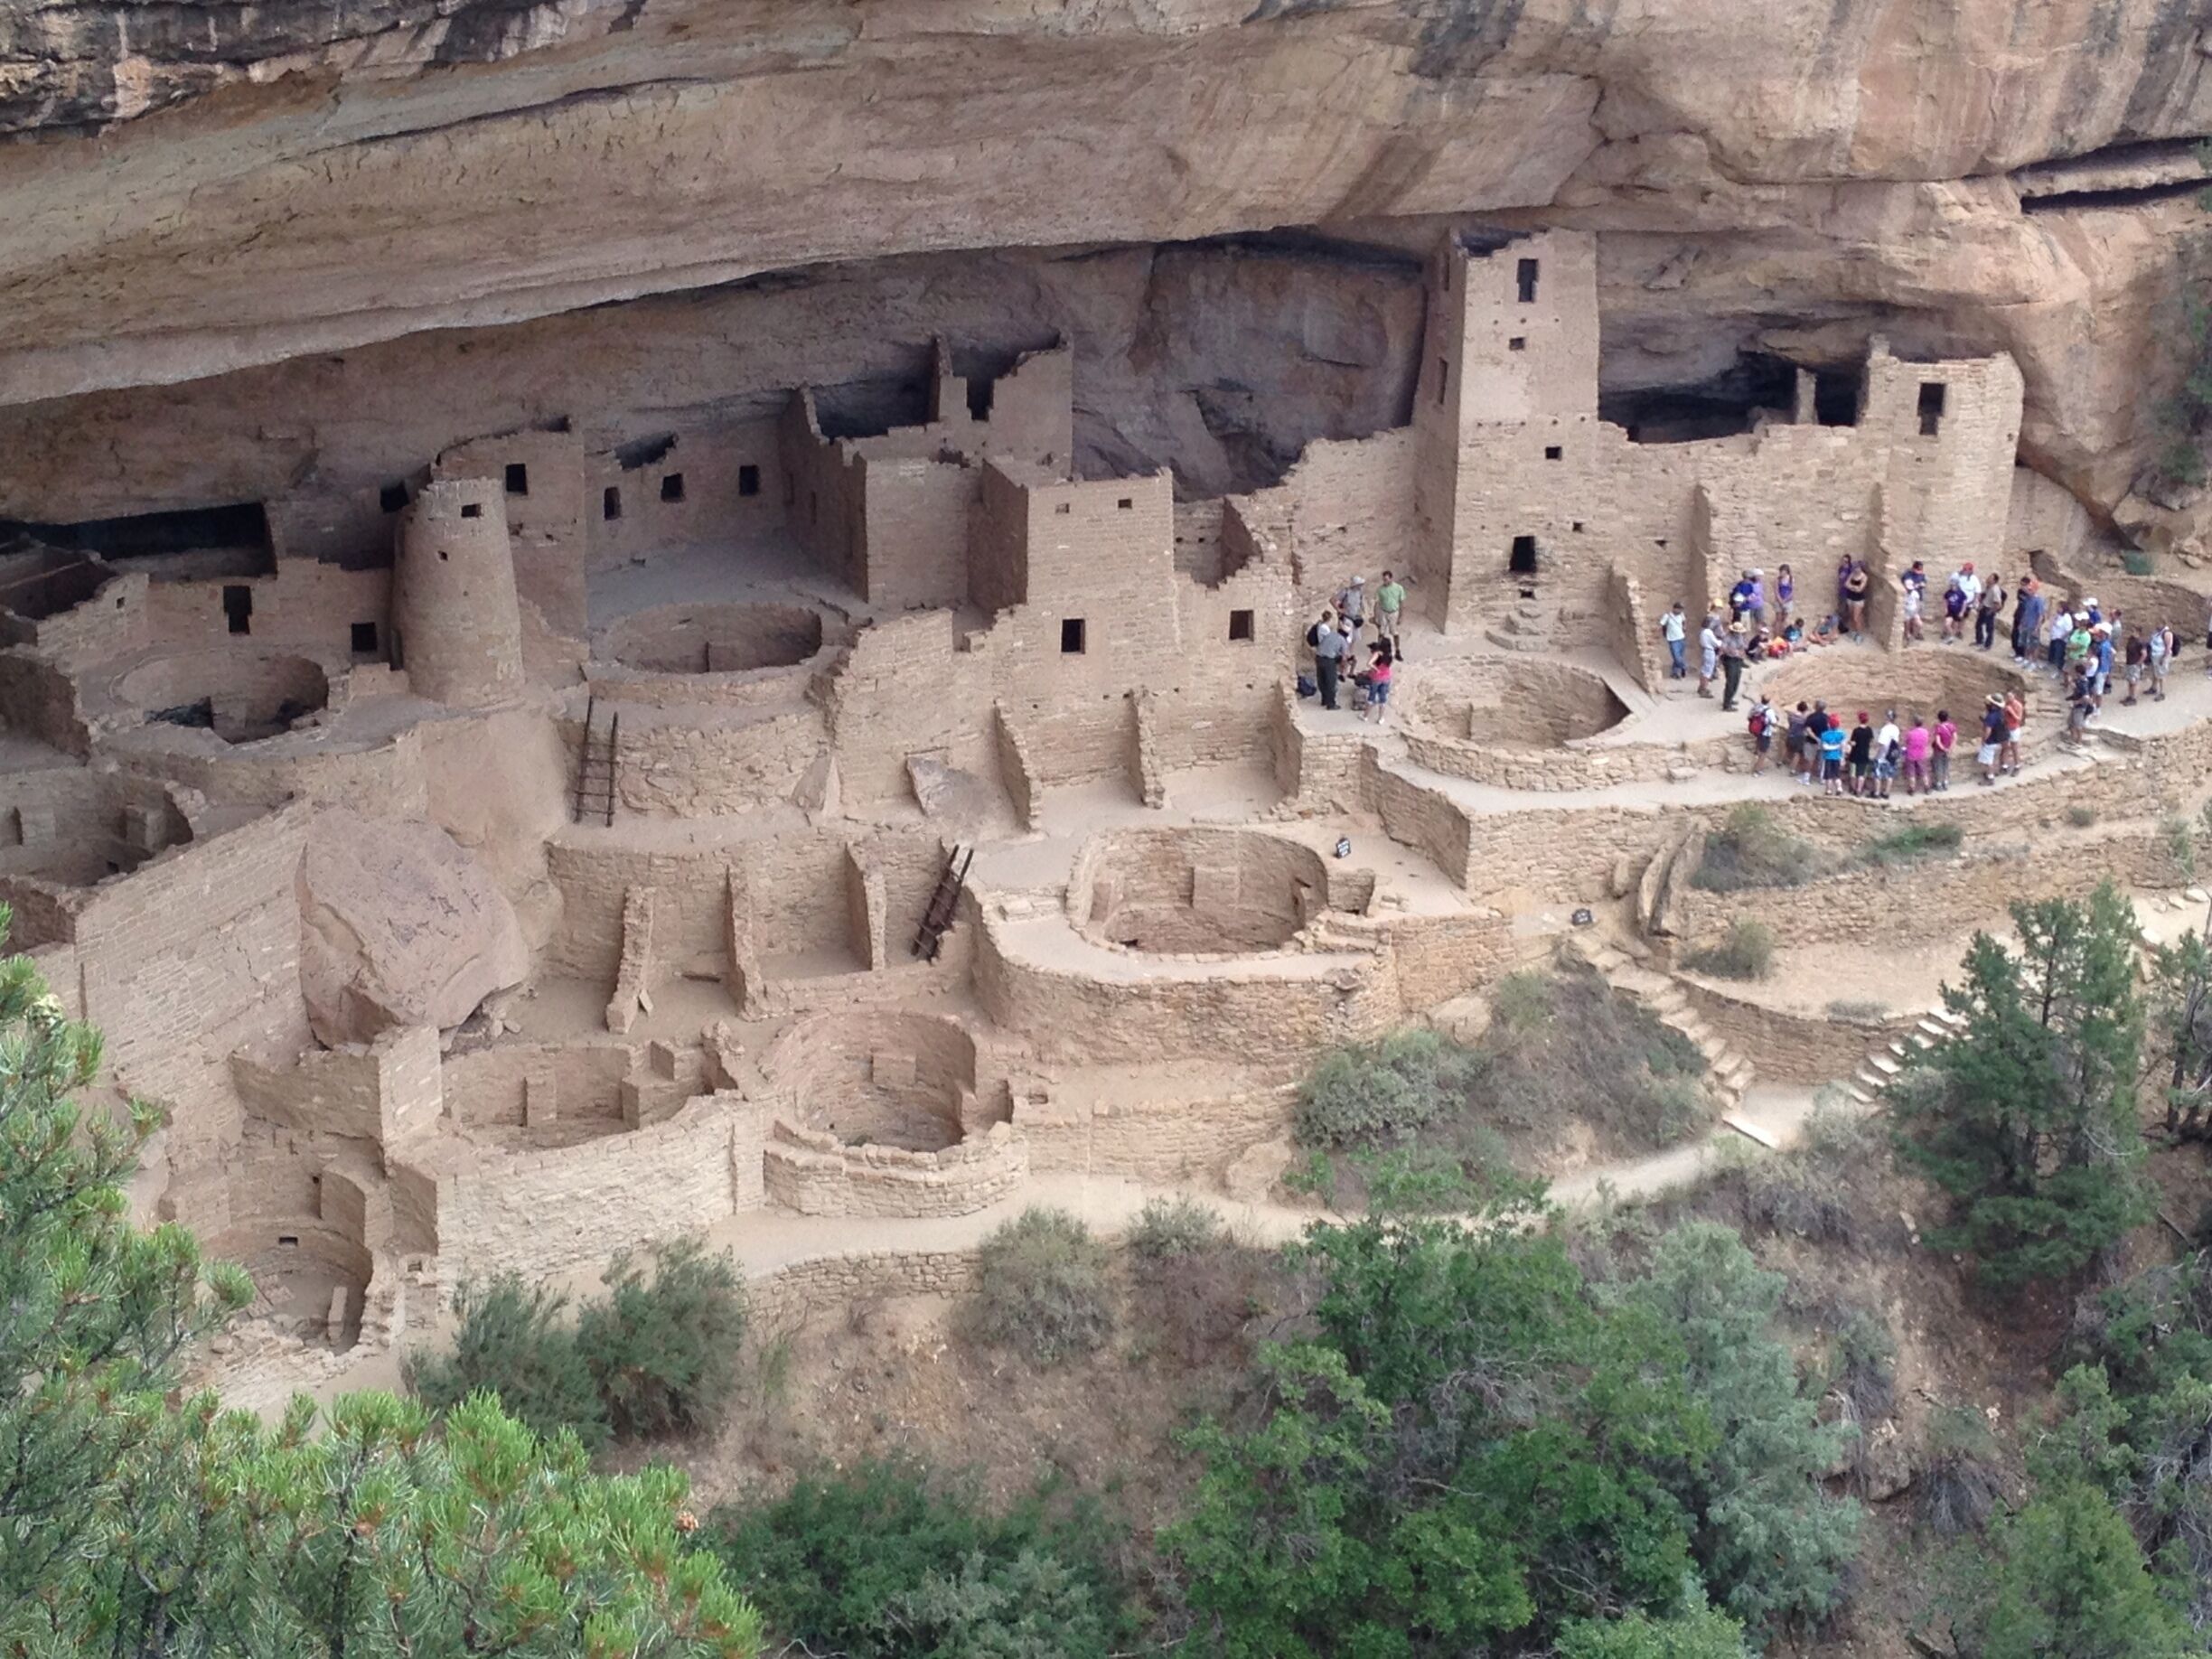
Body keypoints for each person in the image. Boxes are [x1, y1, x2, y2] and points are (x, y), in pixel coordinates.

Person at [1308, 607, 1345, 710]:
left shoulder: (1327, 632)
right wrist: (1343, 667)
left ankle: (1324, 699)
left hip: (1319, 657)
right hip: (1329, 660)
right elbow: (1345, 655)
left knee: (1322, 679)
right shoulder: (1340, 639)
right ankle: (1331, 704)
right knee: (1331, 681)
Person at [1373, 570, 1406, 660]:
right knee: (1381, 632)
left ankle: (1397, 651)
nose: (1385, 582)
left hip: (1394, 612)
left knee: (1394, 632)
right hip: (1383, 612)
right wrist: (1376, 616)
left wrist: (1401, 616)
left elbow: (1401, 602)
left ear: (1391, 578)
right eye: (1384, 580)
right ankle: (1379, 651)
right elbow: (1376, 603)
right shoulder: (1380, 589)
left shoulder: (1399, 588)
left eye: (1386, 580)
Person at [1358, 643, 1392, 725]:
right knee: (1383, 698)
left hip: (1377, 679)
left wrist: (1375, 669)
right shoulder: (1389, 655)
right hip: (1387, 678)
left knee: (1371, 697)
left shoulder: (1377, 654)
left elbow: (1369, 663)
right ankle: (1381, 718)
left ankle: (1365, 716)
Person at [2014, 578, 2046, 667]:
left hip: (2033, 626)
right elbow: (2026, 612)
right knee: (2025, 643)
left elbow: (2040, 616)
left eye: (2030, 589)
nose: (2028, 591)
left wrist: (2037, 628)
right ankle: (2026, 659)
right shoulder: (2028, 599)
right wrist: (2022, 623)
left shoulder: (2039, 601)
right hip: (2026, 624)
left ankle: (2033, 662)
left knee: (2034, 645)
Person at [1872, 708, 1901, 800]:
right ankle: (1886, 792)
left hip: (1883, 755)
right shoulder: (1896, 728)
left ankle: (1877, 792)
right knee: (1890, 775)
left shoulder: (1884, 729)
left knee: (1877, 774)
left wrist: (1877, 755)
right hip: (1891, 755)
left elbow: (1882, 744)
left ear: (1887, 718)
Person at [1845, 710, 1875, 797]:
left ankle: (1853, 789)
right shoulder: (1869, 730)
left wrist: (1849, 742)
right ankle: (1859, 790)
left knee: (1853, 774)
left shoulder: (1856, 730)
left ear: (1859, 719)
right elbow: (1872, 741)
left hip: (1855, 754)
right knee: (1861, 774)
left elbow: (1853, 743)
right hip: (1864, 754)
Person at [1818, 710, 1848, 797]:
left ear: (1829, 724)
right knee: (1837, 775)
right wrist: (1843, 757)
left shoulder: (1824, 735)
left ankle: (1828, 790)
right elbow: (1843, 746)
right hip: (1837, 757)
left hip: (1827, 757)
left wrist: (1831, 747)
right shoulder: (1842, 734)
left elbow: (1824, 747)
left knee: (1828, 776)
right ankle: (1839, 788)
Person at [1720, 621, 1748, 710]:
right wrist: (1732, 651)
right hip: (1730, 660)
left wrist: (1741, 652)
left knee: (1736, 680)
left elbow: (1744, 646)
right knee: (1730, 682)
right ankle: (1726, 704)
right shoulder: (1727, 637)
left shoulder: (1740, 637)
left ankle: (1730, 698)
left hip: (1738, 660)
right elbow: (1723, 648)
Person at [1902, 712, 1932, 795]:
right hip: (1921, 754)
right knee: (1924, 772)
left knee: (1911, 773)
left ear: (1914, 723)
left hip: (1911, 755)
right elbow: (1927, 741)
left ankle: (1912, 789)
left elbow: (1907, 742)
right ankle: (1927, 788)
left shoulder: (1910, 733)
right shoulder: (1925, 732)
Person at [1979, 694, 2006, 784]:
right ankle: (1992, 773)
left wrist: (1984, 739)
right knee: (1992, 758)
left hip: (1990, 741)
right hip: (1997, 740)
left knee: (1988, 761)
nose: (1988, 704)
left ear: (1994, 705)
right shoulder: (2000, 713)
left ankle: (1990, 778)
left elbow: (1988, 730)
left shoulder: (1991, 716)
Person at [1900, 560, 1929, 643]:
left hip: (1918, 597)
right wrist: (1915, 586)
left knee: (1918, 615)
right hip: (1909, 597)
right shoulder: (1908, 575)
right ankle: (1908, 633)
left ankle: (1916, 633)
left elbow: (1924, 583)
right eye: (1917, 570)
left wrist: (1922, 584)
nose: (1918, 573)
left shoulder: (1922, 575)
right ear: (1913, 568)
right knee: (1908, 619)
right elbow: (1906, 584)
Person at [1975, 572, 2006, 650]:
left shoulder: (1995, 590)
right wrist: (1981, 605)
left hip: (1989, 609)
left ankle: (1987, 645)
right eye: (1989, 577)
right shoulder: (1988, 587)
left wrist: (1991, 611)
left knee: (1989, 628)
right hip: (1984, 608)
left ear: (1994, 581)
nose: (1988, 579)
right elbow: (1985, 596)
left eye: (1990, 578)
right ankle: (1979, 641)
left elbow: (1998, 604)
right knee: (1978, 625)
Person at [1335, 576, 1367, 646]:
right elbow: (1335, 600)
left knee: (1354, 638)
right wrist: (1339, 610)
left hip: (1356, 618)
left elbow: (1360, 602)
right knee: (1346, 638)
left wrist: (1363, 611)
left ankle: (1349, 653)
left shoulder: (1359, 592)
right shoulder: (1346, 592)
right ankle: (1344, 653)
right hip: (1347, 618)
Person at [1842, 559, 1871, 638]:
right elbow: (1846, 584)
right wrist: (1854, 587)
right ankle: (1853, 630)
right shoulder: (1852, 574)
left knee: (1856, 617)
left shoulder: (1864, 577)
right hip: (1850, 597)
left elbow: (1860, 589)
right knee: (1851, 615)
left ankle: (1859, 633)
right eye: (1855, 568)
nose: (1856, 569)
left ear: (1861, 568)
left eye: (1857, 568)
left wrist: (1852, 587)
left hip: (1858, 600)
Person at [1786, 700, 1813, 783]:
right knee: (1797, 754)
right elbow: (1807, 727)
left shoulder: (1792, 716)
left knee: (1788, 748)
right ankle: (1792, 770)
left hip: (1790, 734)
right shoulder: (1804, 719)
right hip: (1799, 737)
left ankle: (1780, 762)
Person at [1747, 694, 1774, 773]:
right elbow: (1774, 722)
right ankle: (1758, 770)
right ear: (1769, 702)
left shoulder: (1756, 707)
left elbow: (1749, 716)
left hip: (1757, 730)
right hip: (1766, 732)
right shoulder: (1769, 711)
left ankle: (1756, 753)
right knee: (1764, 752)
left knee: (1758, 741)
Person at [1662, 601, 1689, 679]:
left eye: (1681, 610)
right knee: (1676, 657)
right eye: (1679, 609)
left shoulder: (1681, 615)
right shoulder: (1667, 616)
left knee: (1679, 656)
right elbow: (1663, 625)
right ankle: (1684, 667)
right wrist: (1665, 634)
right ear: (1674, 608)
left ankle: (1675, 673)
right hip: (1672, 639)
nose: (1680, 611)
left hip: (1681, 637)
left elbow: (1684, 621)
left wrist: (1684, 627)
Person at [1932, 708, 1956, 792]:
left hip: (1939, 750)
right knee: (1946, 766)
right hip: (1948, 750)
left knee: (1938, 766)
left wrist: (1943, 749)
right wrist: (1950, 749)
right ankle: (1945, 783)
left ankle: (1939, 784)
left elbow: (1937, 741)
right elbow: (1955, 738)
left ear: (1939, 718)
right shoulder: (1952, 726)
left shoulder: (1938, 728)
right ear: (1947, 717)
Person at [1697, 612, 1720, 698]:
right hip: (1709, 651)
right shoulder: (1708, 632)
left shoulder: (1703, 631)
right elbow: (1716, 643)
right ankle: (1703, 689)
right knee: (1707, 671)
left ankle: (1701, 687)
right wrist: (1722, 643)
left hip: (1705, 651)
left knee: (1704, 670)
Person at [1941, 571, 1970, 643]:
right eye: (1951, 585)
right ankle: (1950, 635)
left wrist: (1962, 612)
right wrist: (1945, 608)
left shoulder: (1961, 593)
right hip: (1950, 611)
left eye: (1953, 585)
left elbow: (1964, 603)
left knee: (1955, 625)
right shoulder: (1948, 592)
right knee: (1947, 624)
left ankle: (1951, 638)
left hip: (1957, 611)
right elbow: (1945, 600)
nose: (1952, 587)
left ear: (1957, 585)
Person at [2123, 626, 2148, 705]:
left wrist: (2138, 663)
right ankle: (2130, 696)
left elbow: (2144, 654)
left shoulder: (2140, 642)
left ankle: (2133, 698)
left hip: (2134, 664)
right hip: (2129, 663)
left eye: (2133, 631)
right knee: (2130, 681)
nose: (2132, 632)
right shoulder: (2131, 639)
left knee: (2133, 681)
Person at [2150, 622, 2173, 701]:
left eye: (2158, 624)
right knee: (2155, 672)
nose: (2156, 625)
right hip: (2155, 656)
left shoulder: (2166, 634)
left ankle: (2161, 692)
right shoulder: (2157, 632)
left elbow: (2168, 647)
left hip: (2161, 657)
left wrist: (2164, 658)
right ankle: (2153, 688)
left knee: (2161, 675)